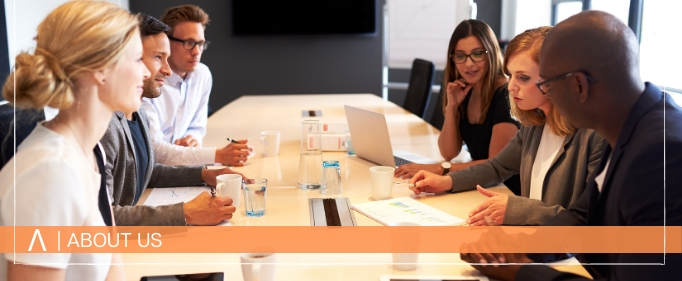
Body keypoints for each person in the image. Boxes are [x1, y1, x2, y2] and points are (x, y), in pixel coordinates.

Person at [460, 11, 682, 280]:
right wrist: (520, 250)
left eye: (548, 84)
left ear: (579, 85)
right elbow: (581, 221)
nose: (547, 97)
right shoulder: (627, 123)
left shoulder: (660, 155)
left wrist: (520, 271)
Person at [0, 1, 148, 280]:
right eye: (138, 59)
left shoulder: (91, 152)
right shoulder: (50, 172)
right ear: (101, 69)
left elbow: (112, 267)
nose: (147, 72)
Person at [408, 27, 604, 226]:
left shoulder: (594, 136)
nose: (510, 87)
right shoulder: (534, 124)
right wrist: (447, 182)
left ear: (556, 78)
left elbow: (585, 220)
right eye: (510, 75)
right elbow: (497, 166)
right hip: (531, 243)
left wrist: (515, 210)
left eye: (523, 78)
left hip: (564, 254)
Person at [101, 14, 243, 226]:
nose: (167, 70)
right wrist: (184, 213)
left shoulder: (137, 112)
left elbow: (146, 171)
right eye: (158, 57)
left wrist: (205, 175)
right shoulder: (104, 127)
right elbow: (104, 218)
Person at [395, 20, 521, 194]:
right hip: (477, 184)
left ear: (491, 53)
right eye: (460, 56)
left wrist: (441, 169)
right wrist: (452, 107)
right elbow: (448, 152)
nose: (468, 64)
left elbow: (495, 164)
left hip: (504, 190)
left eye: (477, 54)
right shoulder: (465, 90)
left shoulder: (505, 96)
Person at [142, 4, 231, 149]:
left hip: (184, 163)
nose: (197, 52)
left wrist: (193, 138)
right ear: (167, 42)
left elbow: (198, 127)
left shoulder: (202, 74)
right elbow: (155, 149)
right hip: (158, 168)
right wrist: (218, 155)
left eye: (200, 43)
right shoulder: (148, 80)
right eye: (189, 43)